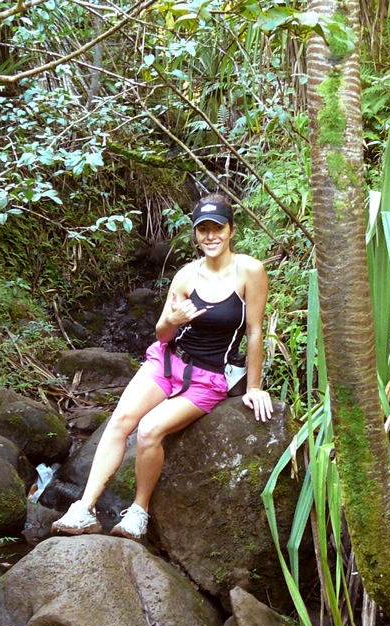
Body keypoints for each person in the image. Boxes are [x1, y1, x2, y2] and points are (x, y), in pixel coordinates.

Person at [51, 192, 274, 541]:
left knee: (149, 430)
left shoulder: (250, 271)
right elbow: (162, 332)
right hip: (167, 362)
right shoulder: (186, 276)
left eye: (218, 228)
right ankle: (84, 508)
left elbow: (255, 331)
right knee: (121, 421)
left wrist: (255, 386)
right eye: (203, 230)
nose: (211, 236)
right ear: (195, 235)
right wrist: (172, 317)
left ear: (232, 230)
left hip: (210, 376)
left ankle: (139, 511)